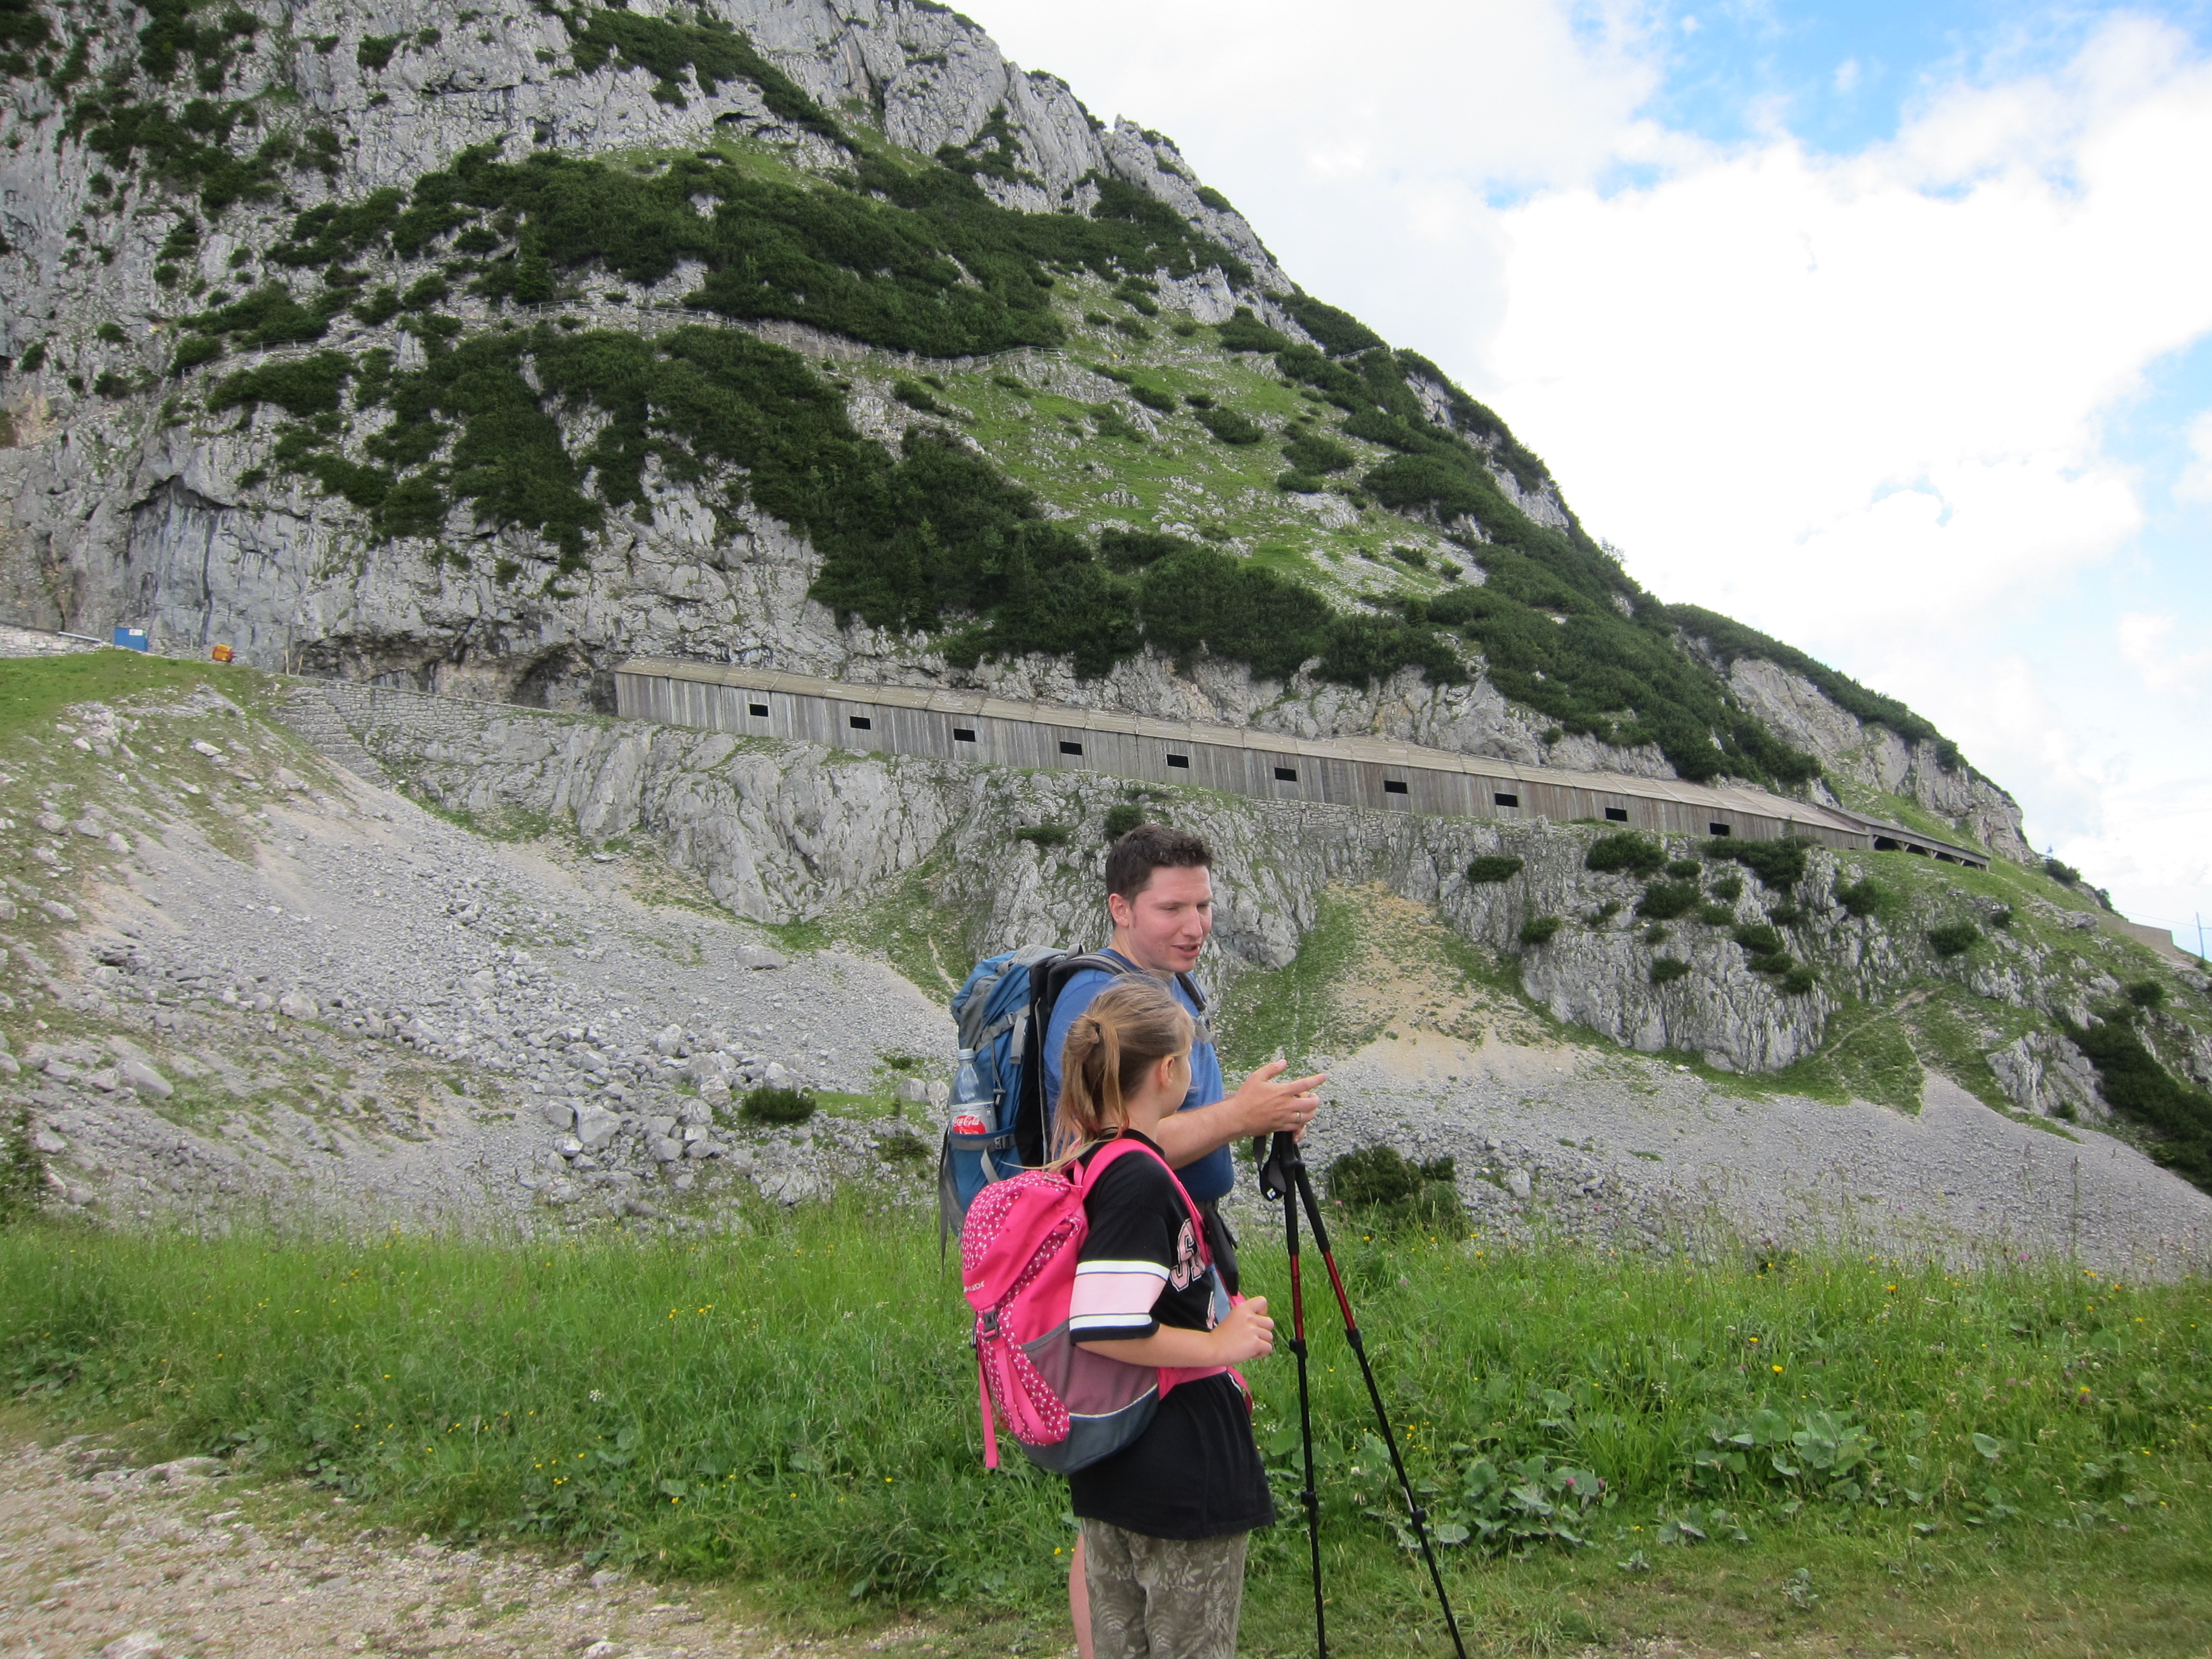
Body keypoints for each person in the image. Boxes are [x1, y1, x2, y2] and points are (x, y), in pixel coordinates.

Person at [1043, 823, 1325, 1658]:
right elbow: (1098, 1145)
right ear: (1121, 907)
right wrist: (1239, 1116)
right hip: (1136, 1256)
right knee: (1133, 1453)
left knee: (1138, 1460)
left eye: (1203, 905)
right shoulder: (1097, 1003)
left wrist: (1249, 1116)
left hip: (1180, 1247)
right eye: (1172, 908)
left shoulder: (1173, 989)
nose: (1194, 924)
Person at [1057, 977, 1279, 1659]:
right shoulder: (1137, 1176)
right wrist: (1221, 1342)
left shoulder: (1091, 1162)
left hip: (1116, 1467)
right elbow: (1106, 1324)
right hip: (1181, 1472)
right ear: (1168, 1071)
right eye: (1190, 1061)